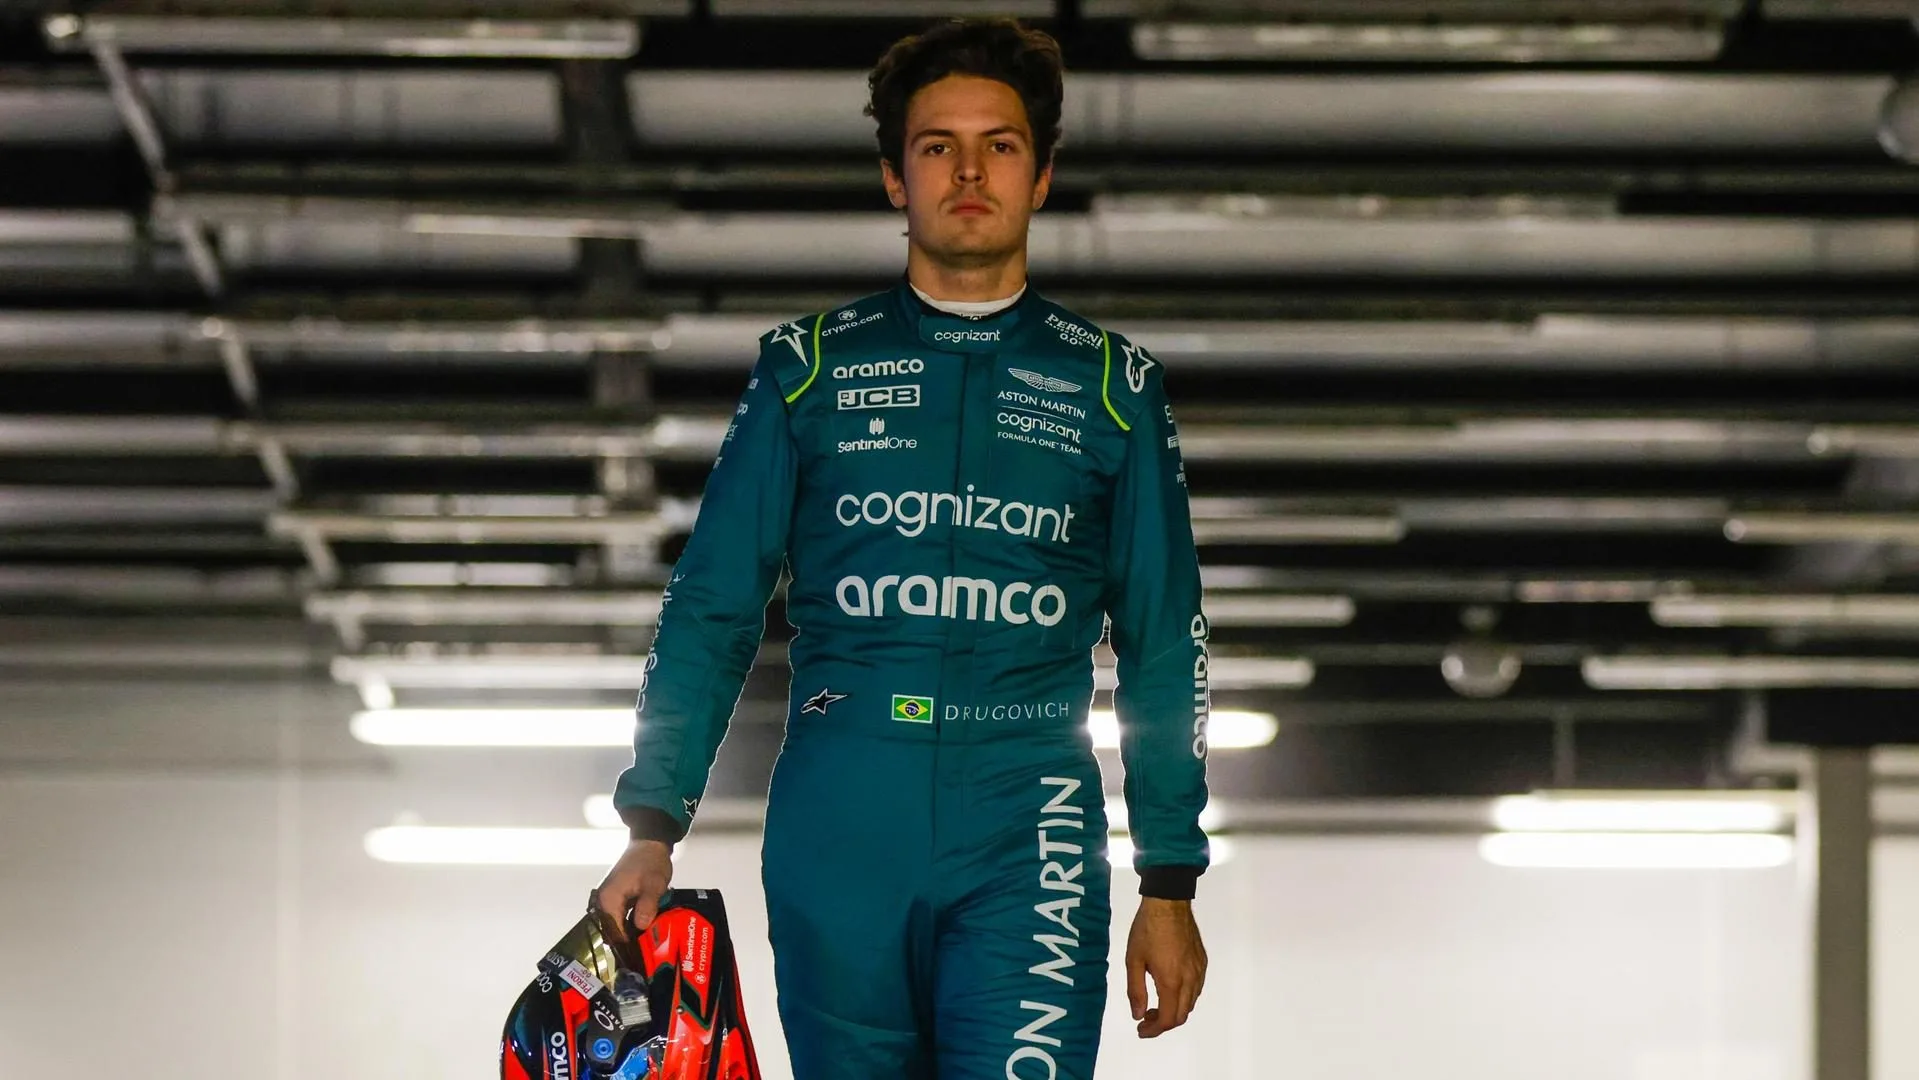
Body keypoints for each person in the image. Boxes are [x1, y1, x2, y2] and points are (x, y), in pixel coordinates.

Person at [595, 17, 1211, 1079]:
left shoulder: (1114, 386)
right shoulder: (804, 370)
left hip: (1032, 817)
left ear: (1041, 174)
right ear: (894, 178)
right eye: (936, 146)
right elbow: (710, 604)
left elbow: (1161, 641)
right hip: (842, 814)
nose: (968, 171)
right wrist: (654, 818)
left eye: (1000, 144)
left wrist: (1168, 878)